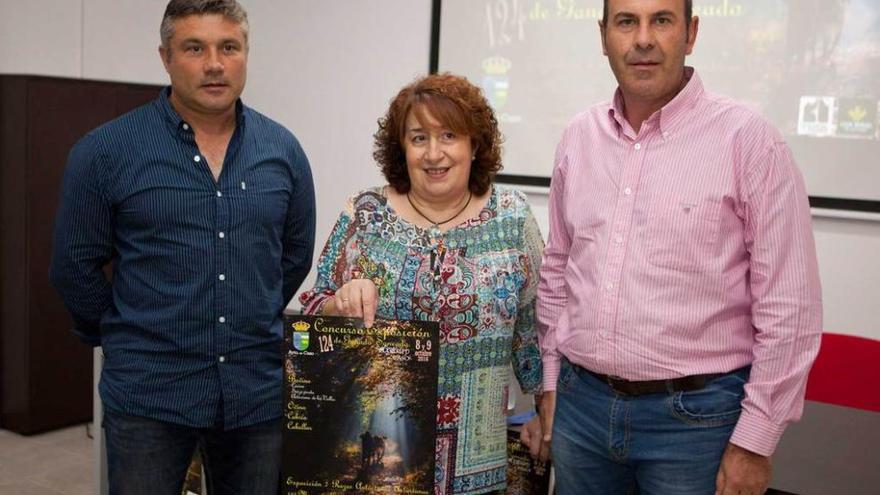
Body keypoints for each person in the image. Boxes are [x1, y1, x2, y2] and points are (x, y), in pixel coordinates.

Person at [533, 1, 823, 494]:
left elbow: (790, 308)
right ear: (605, 37)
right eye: (627, 22)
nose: (643, 39)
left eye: (661, 20)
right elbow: (558, 269)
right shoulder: (578, 138)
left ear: (690, 34)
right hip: (581, 412)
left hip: (696, 423)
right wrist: (551, 383)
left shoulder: (749, 142)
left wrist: (754, 442)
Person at [49, 1, 315, 493]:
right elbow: (74, 265)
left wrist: (249, 313)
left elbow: (293, 256)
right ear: (166, 57)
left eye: (228, 47)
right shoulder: (105, 151)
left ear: (245, 54)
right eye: (195, 48)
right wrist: (121, 334)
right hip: (149, 397)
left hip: (253, 396)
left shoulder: (283, 151)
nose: (214, 63)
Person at [299, 73, 545, 494]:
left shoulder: (512, 217)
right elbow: (313, 308)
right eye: (418, 138)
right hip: (380, 456)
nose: (434, 153)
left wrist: (545, 407)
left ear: (474, 144)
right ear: (402, 148)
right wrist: (338, 304)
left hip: (477, 460)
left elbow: (534, 328)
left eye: (449, 135)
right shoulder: (365, 214)